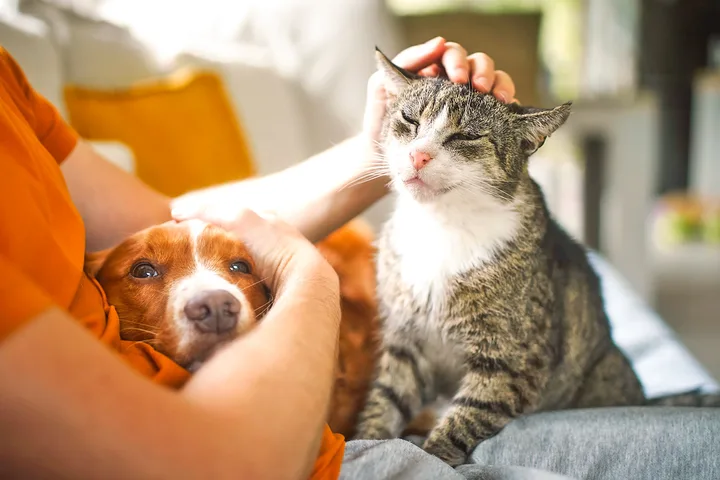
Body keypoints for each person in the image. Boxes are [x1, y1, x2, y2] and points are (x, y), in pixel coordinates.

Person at [3, 35, 720, 480]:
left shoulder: (9, 83)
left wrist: (373, 145)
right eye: (143, 276)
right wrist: (302, 272)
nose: (215, 295)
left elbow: (174, 225)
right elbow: (215, 465)